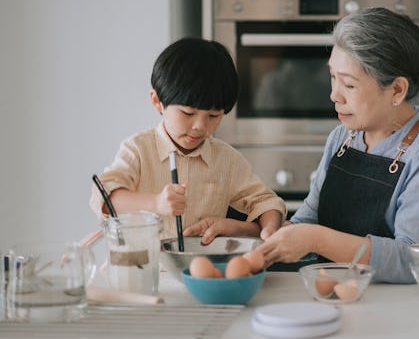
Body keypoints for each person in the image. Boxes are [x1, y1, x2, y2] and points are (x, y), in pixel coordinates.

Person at [187, 8, 419, 283]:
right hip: (338, 296)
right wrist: (244, 231)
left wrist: (316, 239)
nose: (334, 95)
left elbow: (412, 260)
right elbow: (305, 223)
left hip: (407, 312)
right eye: (333, 77)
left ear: (396, 90)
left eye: (349, 85)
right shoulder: (342, 139)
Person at [89, 37, 287, 241]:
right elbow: (104, 197)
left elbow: (266, 202)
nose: (200, 126)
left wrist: (268, 230)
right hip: (141, 268)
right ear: (157, 102)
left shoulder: (227, 160)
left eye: (213, 116)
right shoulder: (138, 150)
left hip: (197, 269)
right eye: (188, 113)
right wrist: (156, 203)